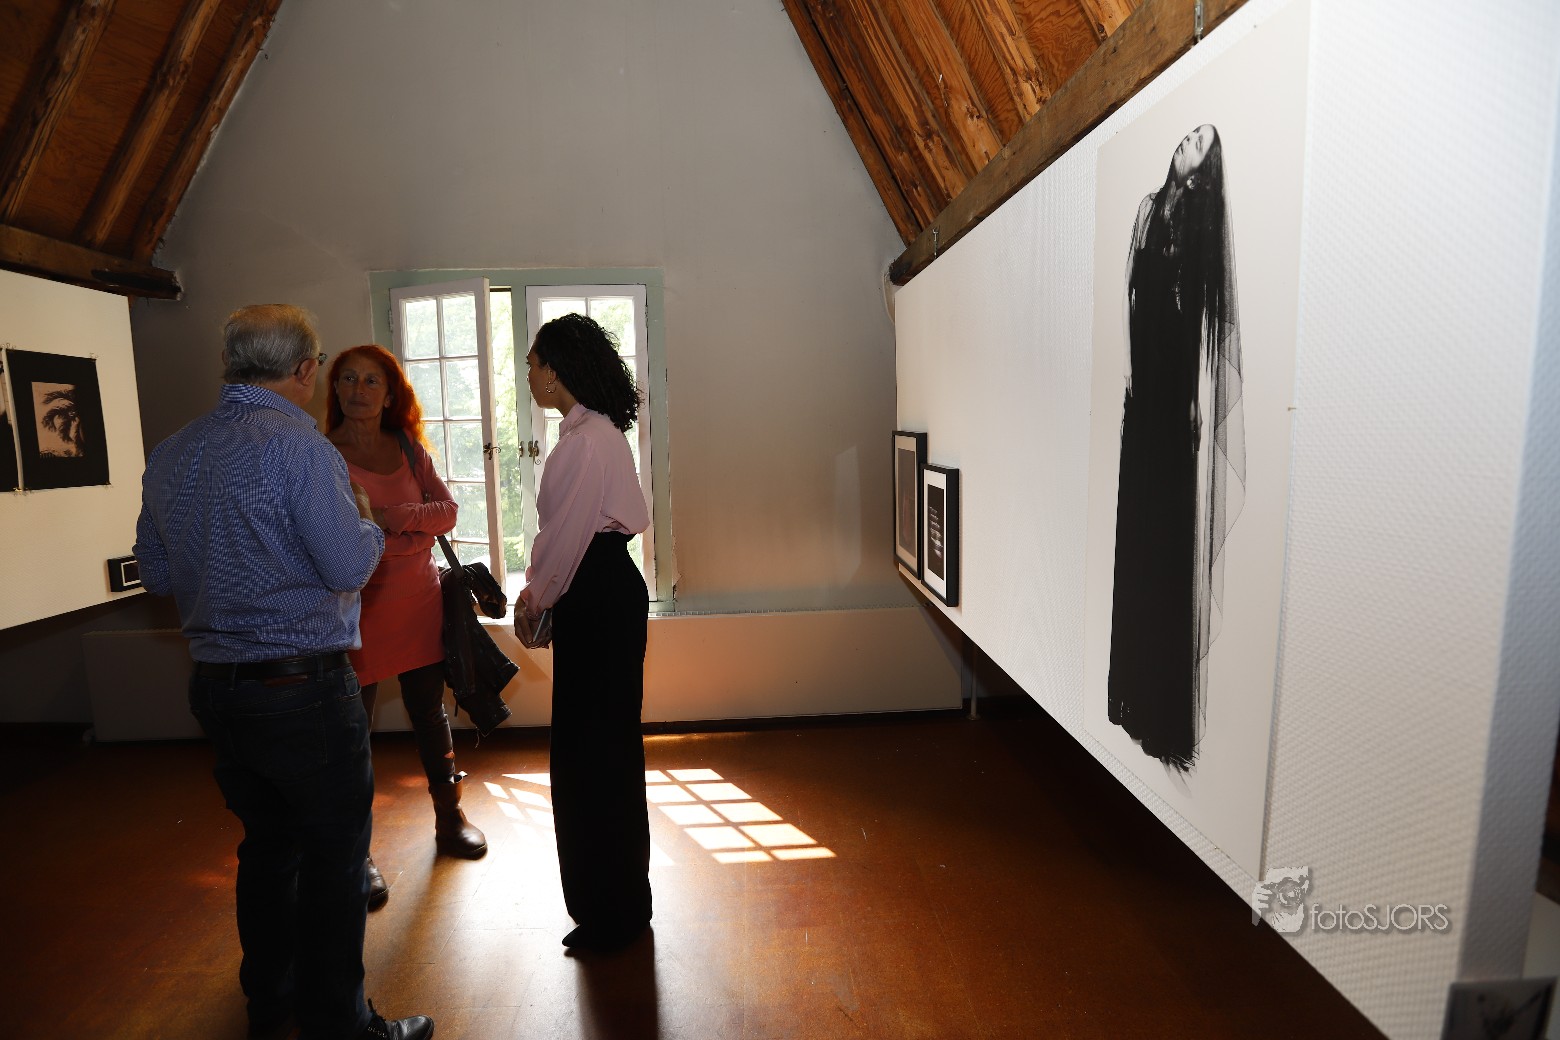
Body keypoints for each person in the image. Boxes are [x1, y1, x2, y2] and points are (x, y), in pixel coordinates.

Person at [134, 305, 433, 1040]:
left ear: (229, 364)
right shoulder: (303, 450)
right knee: (333, 860)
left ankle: (269, 1003)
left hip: (218, 689)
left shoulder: (172, 452)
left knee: (266, 850)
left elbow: (157, 574)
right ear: (304, 370)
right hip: (303, 689)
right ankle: (340, 1025)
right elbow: (347, 564)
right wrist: (367, 523)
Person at [323, 343, 487, 911]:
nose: (359, 390)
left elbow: (448, 511)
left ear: (390, 393)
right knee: (353, 735)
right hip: (358, 608)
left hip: (418, 600)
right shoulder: (322, 455)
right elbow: (334, 534)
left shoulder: (409, 449)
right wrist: (409, 530)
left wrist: (393, 519)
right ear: (335, 389)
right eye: (349, 379)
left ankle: (450, 818)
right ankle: (358, 855)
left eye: (372, 381)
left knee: (430, 715)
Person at [1106, 124, 1246, 774]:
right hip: (1144, 395)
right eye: (1191, 135)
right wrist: (1130, 372)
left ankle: (1161, 711)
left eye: (1199, 144)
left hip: (1171, 402)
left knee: (1164, 541)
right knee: (1136, 534)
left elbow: (1199, 328)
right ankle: (1131, 694)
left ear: (1202, 171)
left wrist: (1190, 403)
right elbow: (1129, 295)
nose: (1187, 141)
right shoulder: (1147, 210)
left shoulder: (1198, 228)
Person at [517, 312, 652, 953]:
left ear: (557, 370)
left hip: (594, 590)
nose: (529, 373)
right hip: (604, 588)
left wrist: (534, 601)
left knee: (591, 756)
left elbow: (564, 539)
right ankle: (619, 906)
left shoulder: (585, 441)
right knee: (605, 751)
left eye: (534, 362)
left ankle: (610, 913)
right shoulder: (594, 432)